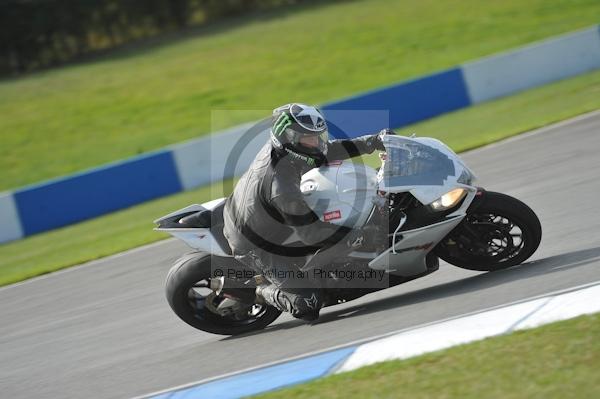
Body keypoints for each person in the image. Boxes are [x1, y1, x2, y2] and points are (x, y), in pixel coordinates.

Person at [223, 103, 390, 321]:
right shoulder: (280, 186)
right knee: (308, 304)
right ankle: (259, 289)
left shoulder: (288, 150)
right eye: (309, 138)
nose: (317, 143)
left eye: (318, 136)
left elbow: (329, 150)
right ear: (288, 139)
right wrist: (358, 236)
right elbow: (312, 234)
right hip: (255, 243)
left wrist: (373, 141)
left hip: (266, 213)